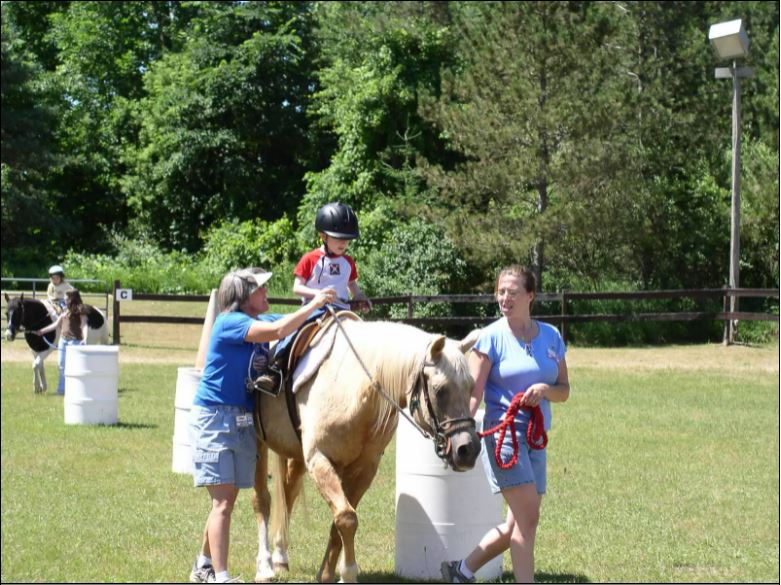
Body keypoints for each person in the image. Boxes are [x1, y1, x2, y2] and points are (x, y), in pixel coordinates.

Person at [188, 268, 334, 584]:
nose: (267, 293)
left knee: (224, 499)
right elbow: (280, 329)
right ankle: (220, 576)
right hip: (216, 418)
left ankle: (202, 565)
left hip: (239, 418)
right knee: (224, 502)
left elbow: (293, 321)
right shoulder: (230, 323)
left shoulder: (257, 321)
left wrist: (329, 306)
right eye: (261, 289)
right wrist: (314, 302)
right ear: (243, 297)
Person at [441, 265, 570, 584]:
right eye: (500, 291)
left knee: (517, 524)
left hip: (537, 437)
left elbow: (564, 390)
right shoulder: (490, 338)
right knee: (528, 519)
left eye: (512, 292)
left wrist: (545, 391)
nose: (504, 298)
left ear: (531, 296)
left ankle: (461, 571)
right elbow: (472, 394)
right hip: (504, 437)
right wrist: (459, 432)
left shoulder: (551, 336)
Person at [253, 202, 370, 395]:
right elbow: (297, 287)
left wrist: (359, 297)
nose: (344, 243)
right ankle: (274, 370)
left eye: (348, 240)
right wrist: (318, 295)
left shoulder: (348, 262)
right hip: (313, 309)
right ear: (323, 236)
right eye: (338, 238)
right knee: (294, 332)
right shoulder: (310, 258)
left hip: (341, 310)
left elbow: (352, 286)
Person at [33, 288, 89, 395]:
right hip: (63, 340)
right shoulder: (65, 311)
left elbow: (84, 325)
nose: (64, 299)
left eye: (66, 298)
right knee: (61, 365)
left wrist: (85, 339)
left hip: (75, 342)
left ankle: (76, 388)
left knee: (74, 366)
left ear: (72, 298)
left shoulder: (80, 311)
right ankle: (62, 390)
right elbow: (56, 325)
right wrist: (42, 331)